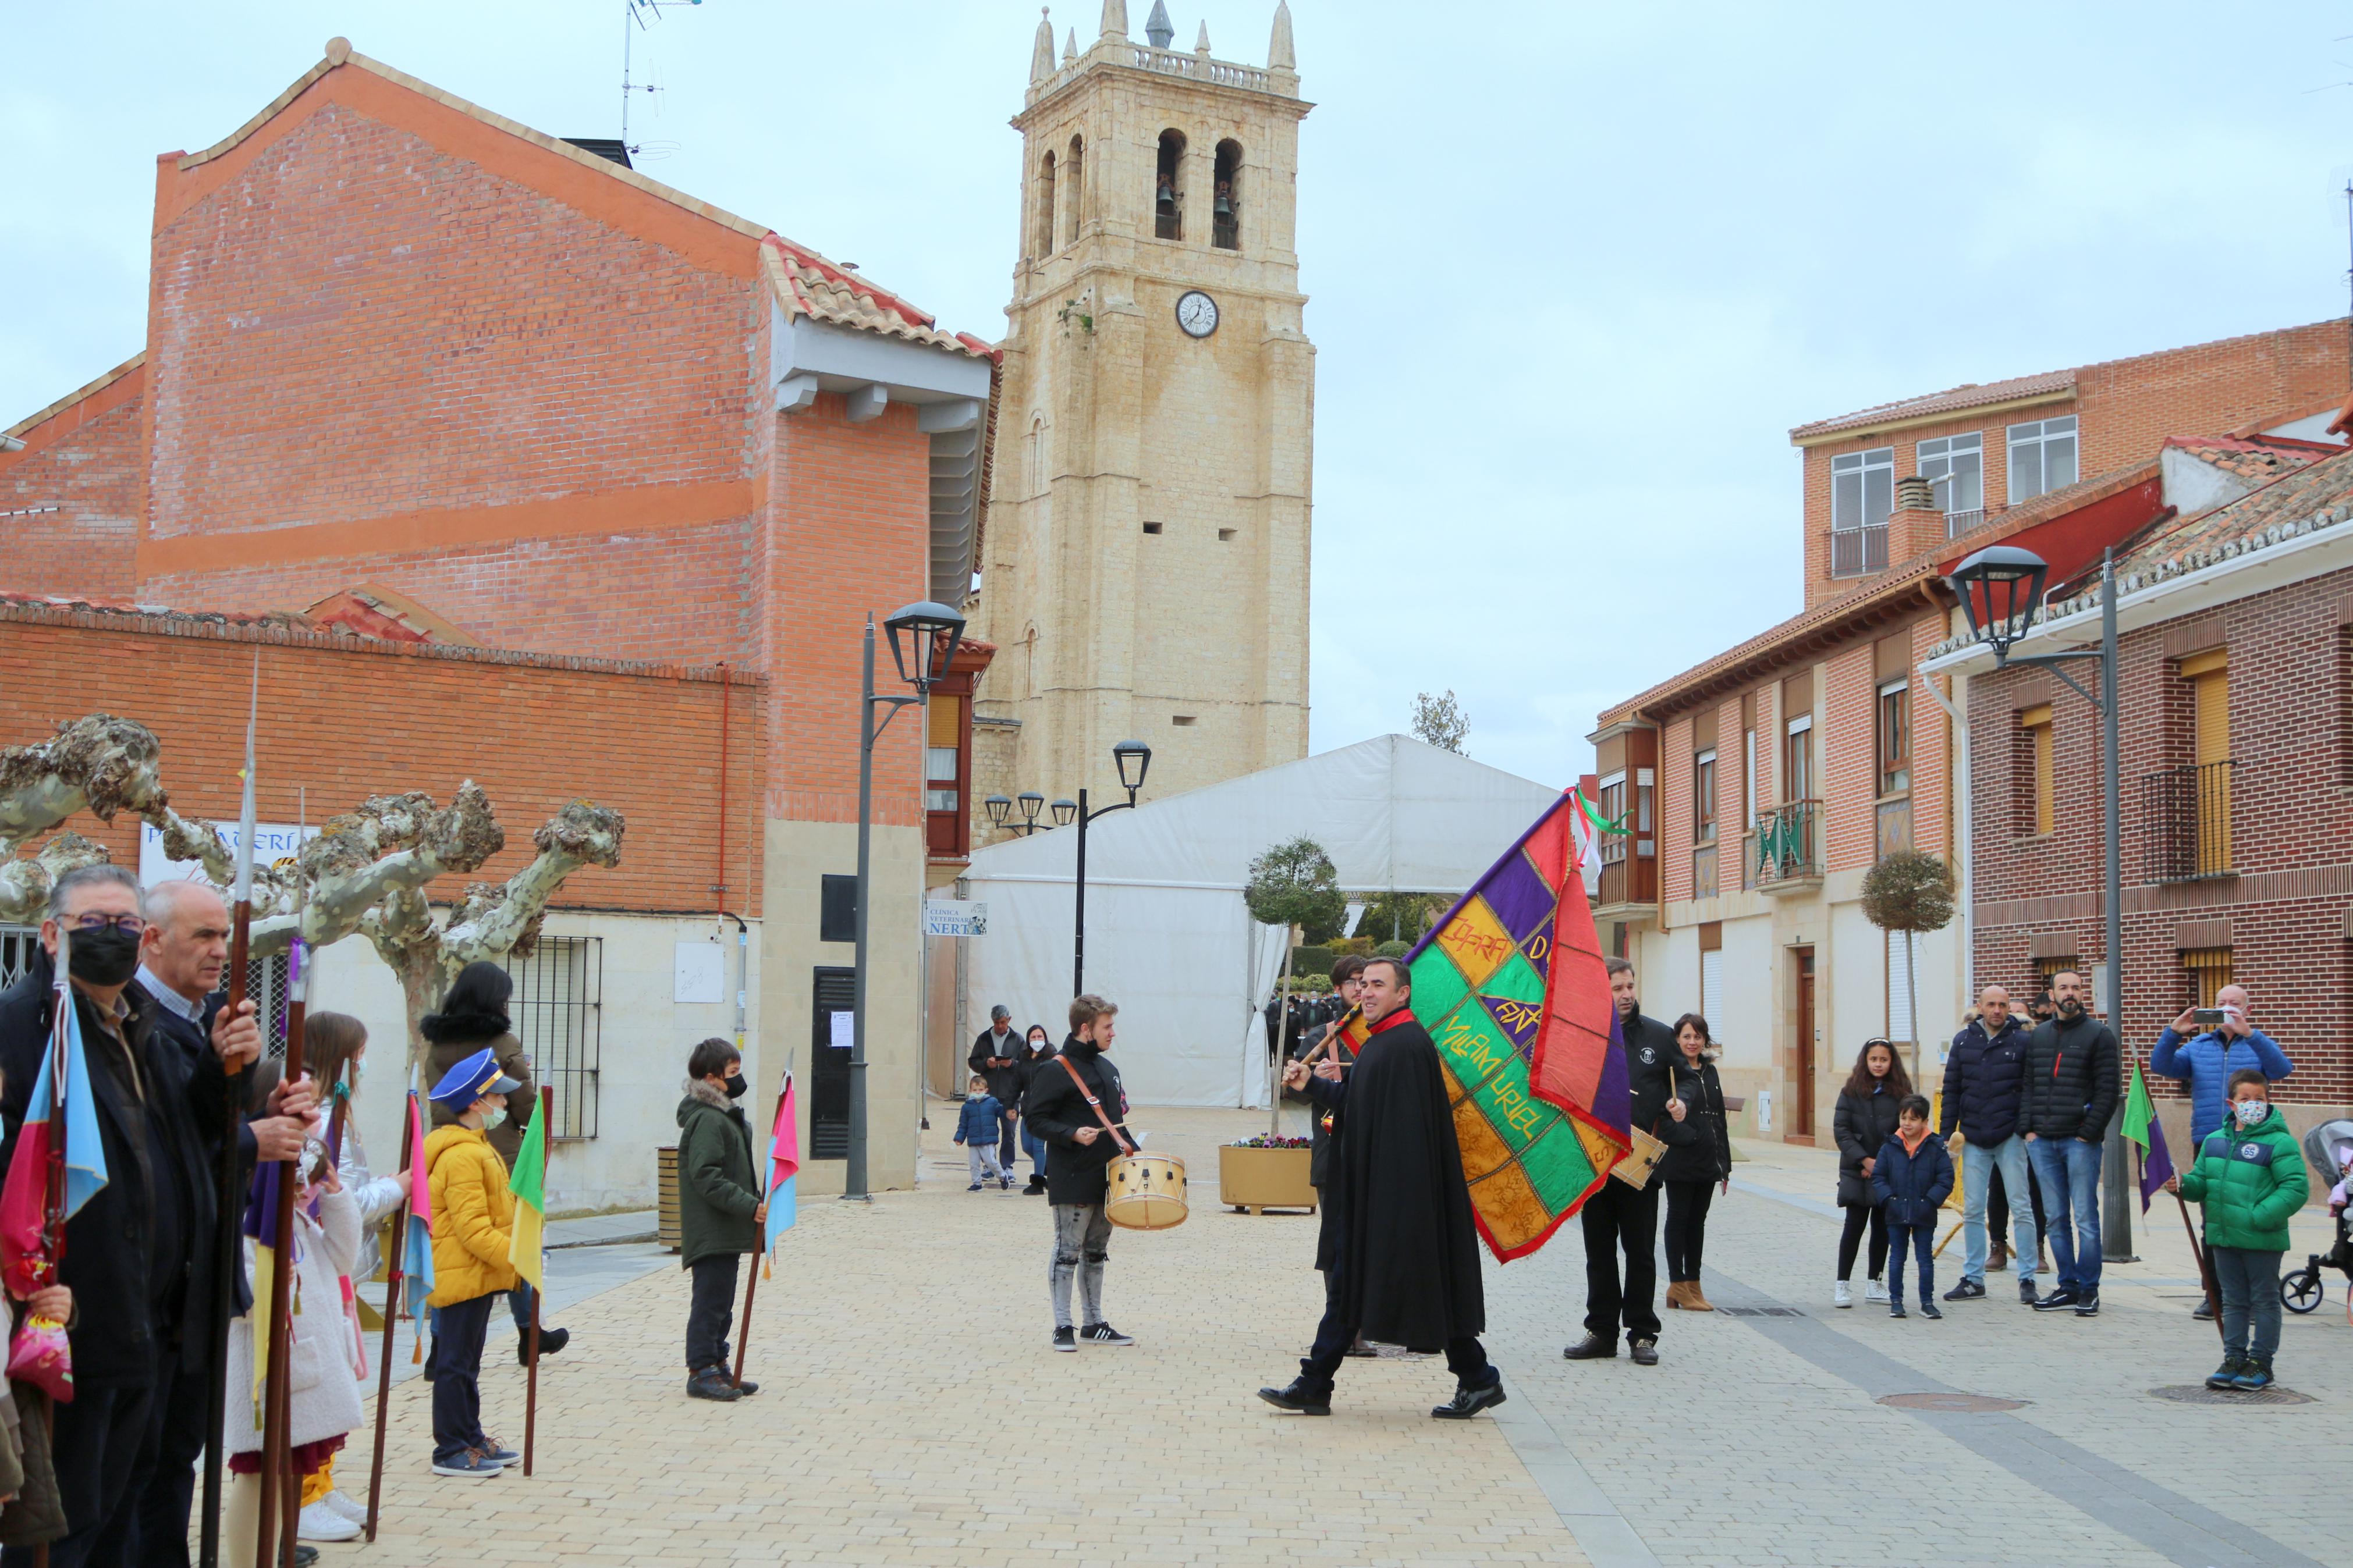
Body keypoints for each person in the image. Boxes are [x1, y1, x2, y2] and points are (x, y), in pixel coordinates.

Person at [0, 865, 281, 1568]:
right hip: (68, 1321)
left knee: (120, 1514)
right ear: (50, 934)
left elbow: (183, 1147)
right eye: (94, 922)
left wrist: (224, 1071)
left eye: (126, 924)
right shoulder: (24, 1026)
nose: (113, 937)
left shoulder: (139, 1024)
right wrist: (22, 1282)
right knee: (60, 1528)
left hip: (146, 1321)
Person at [125, 877, 311, 1566]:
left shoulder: (207, 1019)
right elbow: (156, 1147)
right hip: (155, 1287)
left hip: (200, 1283)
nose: (219, 950)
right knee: (140, 1473)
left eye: (222, 936)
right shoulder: (131, 1020)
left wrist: (275, 1100)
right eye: (203, 935)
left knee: (177, 1459)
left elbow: (212, 1121)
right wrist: (251, 1140)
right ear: (152, 939)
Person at [1260, 958, 1504, 1419]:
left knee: (1409, 1284)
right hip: (1376, 1194)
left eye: (1377, 984)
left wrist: (1392, 1208)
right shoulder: (1384, 1042)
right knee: (1362, 1286)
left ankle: (1476, 1377)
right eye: (1361, 984)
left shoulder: (1404, 1045)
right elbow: (1357, 1104)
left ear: (1402, 994)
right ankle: (1318, 1382)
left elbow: (1405, 1138)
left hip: (1391, 1199)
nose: (1366, 992)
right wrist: (1311, 1082)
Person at [286, 1012, 410, 1540]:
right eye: (357, 1052)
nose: (363, 1062)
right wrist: (397, 1189)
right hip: (309, 1260)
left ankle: (322, 1478)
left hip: (336, 1263)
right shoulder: (314, 1111)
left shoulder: (338, 1107)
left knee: (334, 1378)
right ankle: (302, 1492)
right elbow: (343, 1196)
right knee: (311, 1379)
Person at [221, 1111, 361, 1563]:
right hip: (268, 1376)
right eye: (300, 1179)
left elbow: (342, 1257)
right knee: (260, 1476)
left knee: (282, 1480)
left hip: (302, 1376)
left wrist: (337, 1194)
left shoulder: (298, 1221)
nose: (307, 1191)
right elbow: (244, 1300)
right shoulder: (251, 1221)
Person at [423, 962, 568, 1365]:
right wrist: (538, 1135)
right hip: (499, 1155)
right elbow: (523, 1104)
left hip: (446, 1146)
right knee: (514, 1240)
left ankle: (438, 1346)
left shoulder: (437, 1044)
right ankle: (529, 1332)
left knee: (452, 1249)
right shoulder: (501, 1043)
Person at [2152, 985, 2292, 1320]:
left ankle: (2255, 1295)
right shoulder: (2198, 1047)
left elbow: (2282, 1069)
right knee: (2213, 1221)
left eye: (2235, 1004)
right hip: (2211, 1141)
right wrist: (2174, 1033)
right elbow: (2162, 1066)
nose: (2228, 1009)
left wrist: (2252, 1035)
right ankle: (2214, 1295)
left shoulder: (2257, 1044)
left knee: (2250, 1218)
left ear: (2248, 1009)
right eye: (2222, 1004)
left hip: (2256, 1141)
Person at [1563, 958, 1676, 1366]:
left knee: (1640, 1252)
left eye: (1630, 986)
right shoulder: (1582, 1038)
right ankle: (1601, 1331)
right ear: (1601, 991)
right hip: (1595, 1164)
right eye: (1617, 988)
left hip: (1639, 1167)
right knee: (1599, 1251)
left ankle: (1642, 1334)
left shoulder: (1659, 1037)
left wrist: (1681, 1103)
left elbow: (1692, 1080)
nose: (1627, 994)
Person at [2166, 1069, 2307, 1392]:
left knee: (2264, 1300)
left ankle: (2261, 1362)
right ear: (2232, 1104)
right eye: (2246, 1099)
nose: (2253, 1105)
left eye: (2260, 1099)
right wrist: (2183, 1184)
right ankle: (2233, 1358)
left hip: (2261, 1238)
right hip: (2223, 1237)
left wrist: (2259, 1217)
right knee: (2232, 1300)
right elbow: (2203, 1182)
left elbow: (2296, 1187)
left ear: (2269, 1102)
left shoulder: (2279, 1142)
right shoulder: (2215, 1141)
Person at [421, 1048, 524, 1477]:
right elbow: (472, 1229)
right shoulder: (464, 1155)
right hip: (461, 1273)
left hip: (475, 1275)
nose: (503, 1104)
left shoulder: (476, 1147)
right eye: (497, 1098)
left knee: (467, 1361)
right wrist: (515, 1256)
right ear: (476, 1102)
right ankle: (451, 1447)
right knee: (454, 1363)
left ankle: (471, 1436)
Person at [1021, 995, 1137, 1352]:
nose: (1113, 1033)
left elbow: (1117, 1123)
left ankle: (1094, 1322)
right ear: (1086, 1029)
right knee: (1067, 1250)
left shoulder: (1109, 1070)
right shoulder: (1054, 1069)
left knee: (1097, 1251)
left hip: (1109, 1175)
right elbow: (1035, 1120)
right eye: (1107, 1026)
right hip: (1071, 1174)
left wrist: (1136, 1154)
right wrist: (1071, 1133)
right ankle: (1063, 1325)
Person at [2018, 968, 2120, 1317]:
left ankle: (2089, 1290)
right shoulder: (2040, 1035)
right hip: (2042, 1142)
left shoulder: (2099, 1035)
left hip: (2080, 1142)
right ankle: (2068, 1286)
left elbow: (2108, 1090)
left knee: (2087, 1218)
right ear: (2051, 995)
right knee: (2055, 1218)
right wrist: (2027, 1131)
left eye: (2076, 987)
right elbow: (2028, 1085)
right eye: (2063, 987)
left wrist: (2088, 1132)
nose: (2070, 993)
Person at [675, 1037, 768, 1403]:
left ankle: (718, 1362)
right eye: (733, 1073)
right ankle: (701, 1370)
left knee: (722, 1302)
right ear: (712, 1079)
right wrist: (749, 1205)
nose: (739, 1079)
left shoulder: (721, 1114)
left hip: (725, 1228)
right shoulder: (708, 1120)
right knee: (710, 1302)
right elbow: (707, 1175)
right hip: (712, 1228)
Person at [1939, 984, 2039, 1304]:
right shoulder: (1963, 1041)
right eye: (1991, 1004)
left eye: (2003, 1005)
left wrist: (2024, 1129)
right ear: (1979, 1007)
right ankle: (1973, 1278)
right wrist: (1945, 1137)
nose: (1997, 1010)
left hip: (2010, 1137)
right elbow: (1952, 1088)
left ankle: (2027, 1278)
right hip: (1974, 1138)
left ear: (2010, 1009)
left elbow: (2030, 1090)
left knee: (2021, 1207)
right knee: (1972, 1210)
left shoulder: (2023, 1041)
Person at [1308, 957, 1371, 1350]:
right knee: (1337, 1241)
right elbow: (1295, 1084)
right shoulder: (1323, 1034)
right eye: (1353, 982)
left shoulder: (1380, 1037)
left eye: (1366, 982)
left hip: (1372, 1154)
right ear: (1338, 989)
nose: (1360, 989)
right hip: (1333, 1152)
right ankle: (1343, 1326)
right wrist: (1313, 1079)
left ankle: (1367, 1322)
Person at [1658, 1014, 1731, 1313]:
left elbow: (1719, 1119)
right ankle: (1677, 1283)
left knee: (1697, 1224)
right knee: (1678, 1219)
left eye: (1698, 1037)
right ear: (1677, 1039)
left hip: (1708, 1162)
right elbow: (1664, 1119)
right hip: (1681, 1157)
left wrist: (1724, 1166)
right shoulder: (1670, 1073)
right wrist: (1691, 1137)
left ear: (1705, 1041)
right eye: (1687, 1036)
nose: (1692, 1042)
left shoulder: (1710, 1072)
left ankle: (1694, 1284)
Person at [1832, 1039, 1909, 1307]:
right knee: (1853, 1227)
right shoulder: (1851, 1091)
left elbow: (1906, 1130)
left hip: (1886, 1172)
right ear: (1865, 1061)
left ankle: (1875, 1282)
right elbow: (1841, 1130)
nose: (1878, 1064)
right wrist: (1864, 1161)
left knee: (1882, 1228)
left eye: (1884, 1060)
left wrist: (1881, 1166)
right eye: (1873, 1059)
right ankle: (1842, 1284)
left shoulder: (1901, 1092)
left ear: (1892, 1062)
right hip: (1856, 1171)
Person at [1870, 1094, 1955, 1320]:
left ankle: (1927, 1302)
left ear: (1925, 1122)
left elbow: (1946, 1178)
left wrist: (1930, 1201)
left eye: (1914, 1119)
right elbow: (1879, 1177)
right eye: (1904, 1117)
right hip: (1896, 1212)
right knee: (1897, 1257)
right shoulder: (1890, 1146)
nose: (1907, 1123)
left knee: (1925, 1258)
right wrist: (1889, 1199)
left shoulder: (1935, 1147)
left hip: (1924, 1212)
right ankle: (1896, 1300)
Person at [969, 1005, 1023, 1182]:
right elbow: (973, 1061)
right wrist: (986, 1064)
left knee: (1009, 1131)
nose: (1000, 1026)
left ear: (1009, 1020)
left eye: (1002, 1022)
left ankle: (1007, 1166)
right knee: (988, 1130)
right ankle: (990, 1166)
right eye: (996, 1023)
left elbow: (1025, 1064)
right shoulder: (984, 1039)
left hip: (1010, 1094)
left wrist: (1012, 1064)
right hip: (988, 1094)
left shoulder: (1018, 1040)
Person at [1014, 1026, 1055, 1194]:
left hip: (1044, 1109)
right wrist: (1011, 1106)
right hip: (1027, 1109)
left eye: (1040, 1036)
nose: (1036, 1040)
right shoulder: (1023, 1059)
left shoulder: (1052, 1057)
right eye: (1033, 1037)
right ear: (1028, 1040)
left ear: (1045, 1038)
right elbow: (1016, 1084)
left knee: (1038, 1146)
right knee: (1027, 1146)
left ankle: (1038, 1182)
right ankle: (1050, 1172)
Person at [954, 1075, 1010, 1190]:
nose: (978, 1092)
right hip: (973, 1140)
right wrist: (959, 1138)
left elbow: (1001, 1111)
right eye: (975, 1090)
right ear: (970, 1091)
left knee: (991, 1162)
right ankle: (977, 1183)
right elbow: (963, 1124)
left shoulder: (992, 1102)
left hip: (988, 1139)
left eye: (980, 1090)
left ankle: (1002, 1176)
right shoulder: (967, 1107)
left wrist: (1009, 1112)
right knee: (974, 1164)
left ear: (986, 1090)